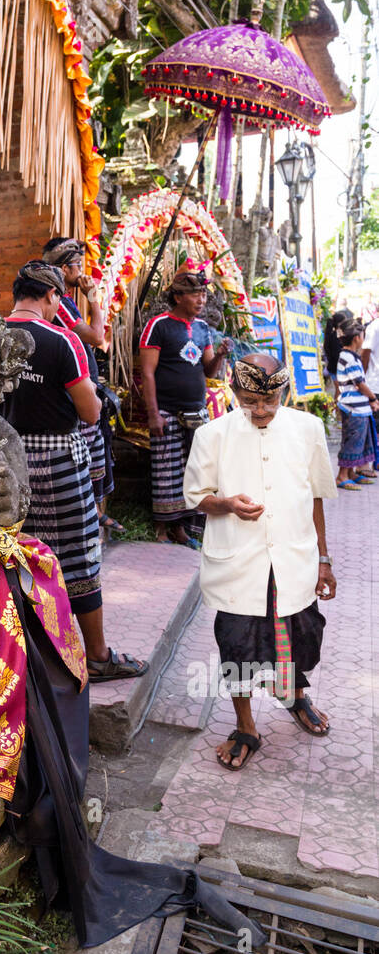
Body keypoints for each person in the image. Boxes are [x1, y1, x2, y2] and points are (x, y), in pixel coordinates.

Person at [182, 353, 337, 772]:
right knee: (238, 644)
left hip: (295, 559)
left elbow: (317, 495)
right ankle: (246, 726)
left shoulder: (308, 428)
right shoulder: (212, 435)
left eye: (270, 400)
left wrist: (323, 560)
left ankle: (295, 697)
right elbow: (196, 496)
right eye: (251, 400)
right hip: (239, 564)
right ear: (234, 392)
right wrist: (227, 504)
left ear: (284, 392)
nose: (262, 410)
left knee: (299, 636)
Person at [3, 261, 148, 681]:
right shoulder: (60, 340)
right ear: (51, 295)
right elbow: (89, 410)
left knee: (20, 554)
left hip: (6, 461)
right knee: (79, 557)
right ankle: (98, 657)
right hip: (58, 463)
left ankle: (28, 657)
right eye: (58, 301)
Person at [139, 260, 233, 547]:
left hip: (196, 410)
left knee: (193, 470)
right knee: (165, 470)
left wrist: (219, 355)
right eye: (195, 295)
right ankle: (162, 527)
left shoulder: (203, 328)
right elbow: (147, 372)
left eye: (204, 296)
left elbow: (208, 370)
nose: (201, 300)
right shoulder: (159, 326)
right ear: (178, 297)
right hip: (167, 410)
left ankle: (183, 526)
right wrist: (153, 414)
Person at [41, 237, 123, 536]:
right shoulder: (59, 301)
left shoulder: (63, 300)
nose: (82, 273)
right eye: (78, 266)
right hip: (73, 395)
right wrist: (94, 297)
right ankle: (92, 525)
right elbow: (95, 336)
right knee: (89, 463)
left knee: (98, 462)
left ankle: (98, 522)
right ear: (65, 269)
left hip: (81, 389)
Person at [334, 319, 379, 489]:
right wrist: (373, 399)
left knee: (359, 441)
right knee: (352, 441)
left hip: (359, 407)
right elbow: (359, 383)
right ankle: (342, 476)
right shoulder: (348, 357)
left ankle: (351, 473)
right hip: (353, 407)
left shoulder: (352, 357)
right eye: (362, 335)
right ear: (356, 339)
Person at [361, 310, 379, 471]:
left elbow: (365, 352)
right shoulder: (374, 326)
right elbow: (365, 353)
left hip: (374, 382)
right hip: (374, 384)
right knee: (375, 426)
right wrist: (363, 378)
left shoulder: (374, 326)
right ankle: (373, 461)